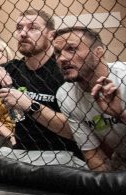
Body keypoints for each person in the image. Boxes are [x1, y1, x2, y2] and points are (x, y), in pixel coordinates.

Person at [0, 9, 79, 166]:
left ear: (51, 35)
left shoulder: (65, 70)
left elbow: (75, 130)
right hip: (23, 153)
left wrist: (30, 106)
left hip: (64, 155)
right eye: (19, 28)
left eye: (33, 28)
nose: (23, 33)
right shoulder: (12, 69)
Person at [53, 27, 126, 171]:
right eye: (57, 53)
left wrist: (121, 114)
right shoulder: (65, 94)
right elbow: (92, 153)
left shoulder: (123, 77)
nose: (62, 58)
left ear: (98, 52)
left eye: (72, 49)